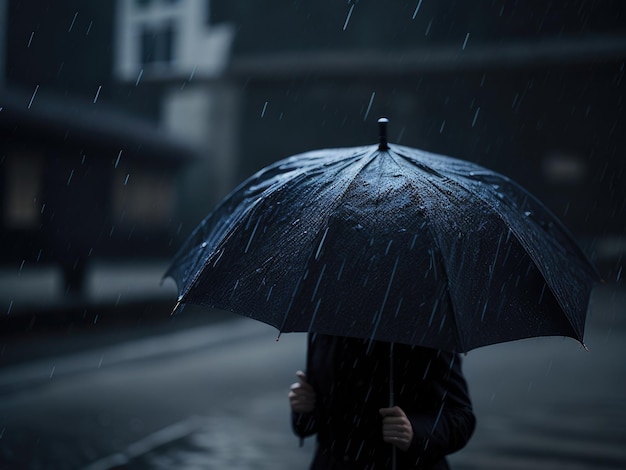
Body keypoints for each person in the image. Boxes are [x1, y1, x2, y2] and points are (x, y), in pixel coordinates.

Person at [289, 333, 476, 469]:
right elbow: (311, 422)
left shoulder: (425, 330)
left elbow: (461, 416)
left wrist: (414, 431)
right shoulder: (325, 322)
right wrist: (303, 408)